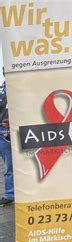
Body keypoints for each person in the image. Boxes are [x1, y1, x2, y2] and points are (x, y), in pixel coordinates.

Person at [0, 67, 13, 206]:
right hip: (3, 132)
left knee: (10, 166)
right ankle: (9, 193)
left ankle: (11, 193)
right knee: (8, 166)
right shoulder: (1, 90)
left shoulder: (21, 87)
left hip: (14, 132)